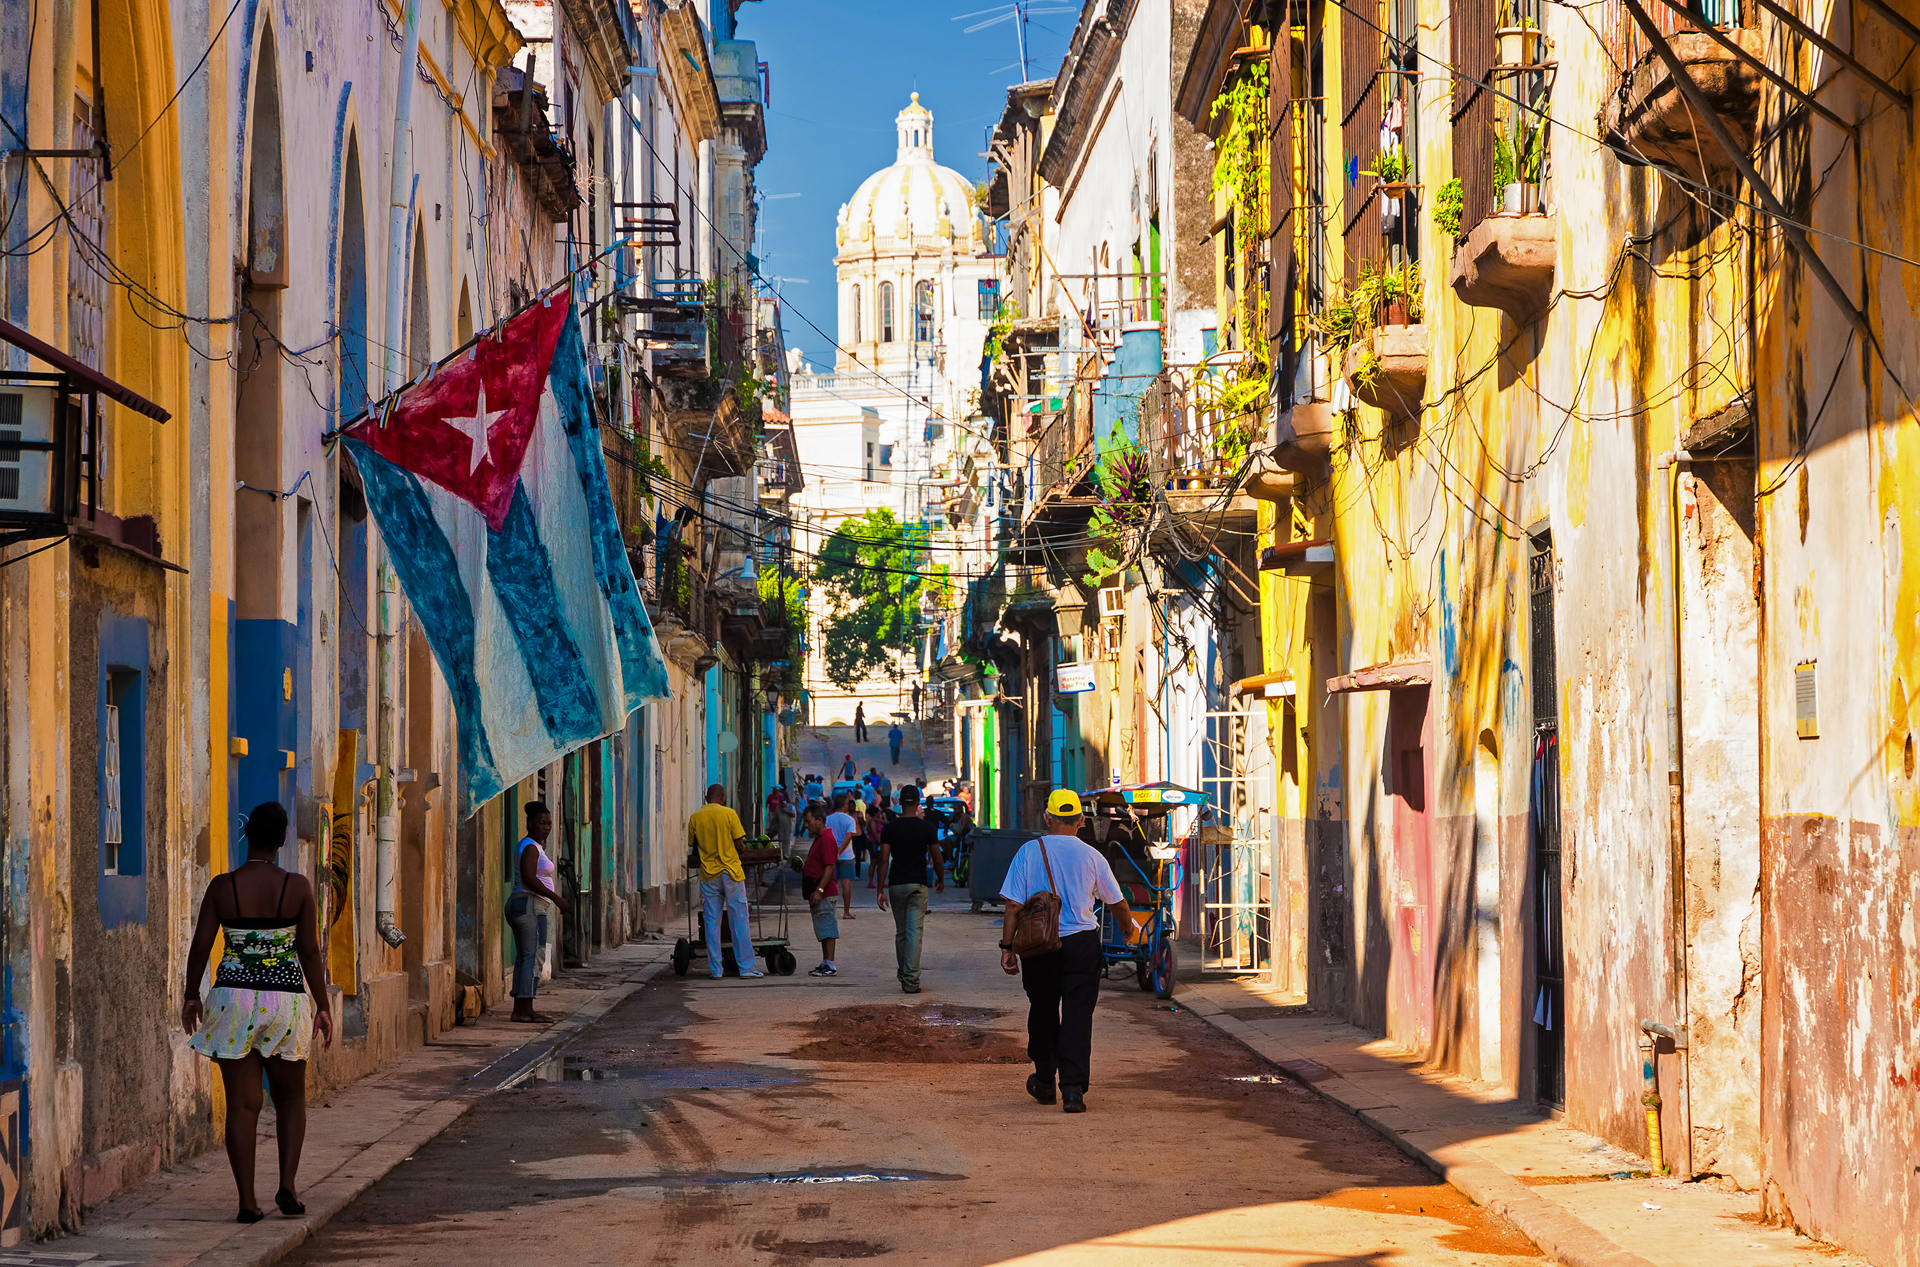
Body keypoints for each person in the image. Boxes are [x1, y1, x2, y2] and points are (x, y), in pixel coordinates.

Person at [181, 802, 335, 1222]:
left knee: (243, 1105)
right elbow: (308, 951)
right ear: (283, 839)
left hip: (233, 1000)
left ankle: (247, 1202)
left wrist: (191, 995)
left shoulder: (222, 886)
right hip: (285, 1000)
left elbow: (199, 947)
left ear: (247, 833)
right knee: (290, 1098)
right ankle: (287, 1185)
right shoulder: (297, 887)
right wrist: (322, 1005)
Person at [999, 789, 1131, 1114]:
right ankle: (1073, 1091)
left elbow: (1014, 906)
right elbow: (1116, 902)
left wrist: (1007, 948)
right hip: (1082, 945)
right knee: (1077, 1015)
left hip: (1039, 945)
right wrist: (1128, 930)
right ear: (1081, 821)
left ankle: (1044, 1082)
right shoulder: (1092, 856)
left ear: (1047, 818)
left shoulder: (1029, 852)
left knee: (1042, 1009)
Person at [689, 784, 765, 979]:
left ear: (706, 797)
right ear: (723, 797)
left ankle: (716, 970)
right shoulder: (729, 814)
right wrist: (742, 850)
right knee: (738, 919)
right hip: (731, 872)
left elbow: (694, 847)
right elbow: (739, 845)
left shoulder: (695, 817)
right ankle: (746, 968)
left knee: (711, 921)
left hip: (709, 874)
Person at [506, 801, 571, 1022]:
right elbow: (528, 877)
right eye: (542, 823)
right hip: (529, 905)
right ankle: (525, 1010)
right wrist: (556, 898)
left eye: (549, 823)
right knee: (533, 956)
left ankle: (522, 1008)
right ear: (530, 823)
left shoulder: (530, 845)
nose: (546, 827)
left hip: (524, 904)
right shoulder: (530, 846)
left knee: (526, 957)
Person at [876, 785, 944, 994]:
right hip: (918, 885)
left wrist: (880, 889)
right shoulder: (927, 828)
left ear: (899, 803)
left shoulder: (890, 829)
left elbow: (884, 860)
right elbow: (937, 856)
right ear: (917, 803)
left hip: (896, 885)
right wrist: (941, 879)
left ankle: (904, 973)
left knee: (901, 932)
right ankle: (911, 980)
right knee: (914, 932)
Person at [826, 793, 859, 920]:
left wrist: (833, 852)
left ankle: (829, 910)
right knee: (846, 885)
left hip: (831, 856)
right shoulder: (849, 819)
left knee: (830, 884)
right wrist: (839, 851)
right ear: (845, 805)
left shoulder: (828, 819)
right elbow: (848, 836)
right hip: (846, 856)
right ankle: (846, 911)